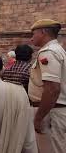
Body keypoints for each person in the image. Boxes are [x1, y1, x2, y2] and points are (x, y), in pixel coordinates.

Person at [28, 19, 66, 153]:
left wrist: (38, 118)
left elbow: (52, 89)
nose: (31, 39)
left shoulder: (48, 52)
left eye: (33, 34)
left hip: (50, 113)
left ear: (43, 32)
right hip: (54, 111)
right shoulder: (57, 49)